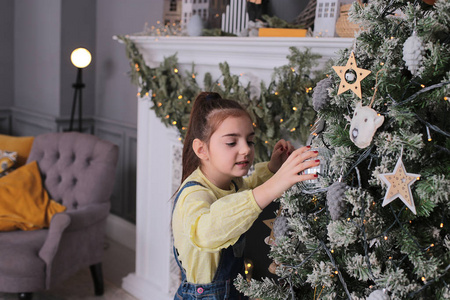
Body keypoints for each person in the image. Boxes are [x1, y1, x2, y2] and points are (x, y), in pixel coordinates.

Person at [172, 92, 320, 299]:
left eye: (249, 141)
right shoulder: (194, 194)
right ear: (201, 149)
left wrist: (271, 169)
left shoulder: (230, 182)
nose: (245, 150)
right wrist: (276, 184)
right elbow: (207, 230)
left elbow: (246, 189)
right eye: (232, 143)